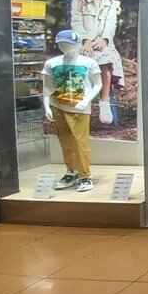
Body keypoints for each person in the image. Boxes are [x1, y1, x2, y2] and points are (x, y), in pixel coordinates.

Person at [42, 29, 102, 192]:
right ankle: (71, 171)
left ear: (77, 44)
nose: (64, 47)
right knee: (65, 142)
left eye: (68, 44)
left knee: (80, 142)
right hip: (58, 106)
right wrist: (47, 106)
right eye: (61, 44)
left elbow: (98, 84)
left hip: (79, 108)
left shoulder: (88, 63)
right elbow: (47, 87)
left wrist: (86, 100)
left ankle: (85, 175)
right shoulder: (52, 63)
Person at [70, 0, 125, 125]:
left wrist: (104, 39)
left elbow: (111, 24)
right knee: (82, 58)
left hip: (102, 43)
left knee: (107, 58)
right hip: (83, 42)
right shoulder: (78, 0)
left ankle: (104, 101)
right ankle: (83, 100)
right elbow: (76, 22)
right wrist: (86, 40)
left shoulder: (110, 3)